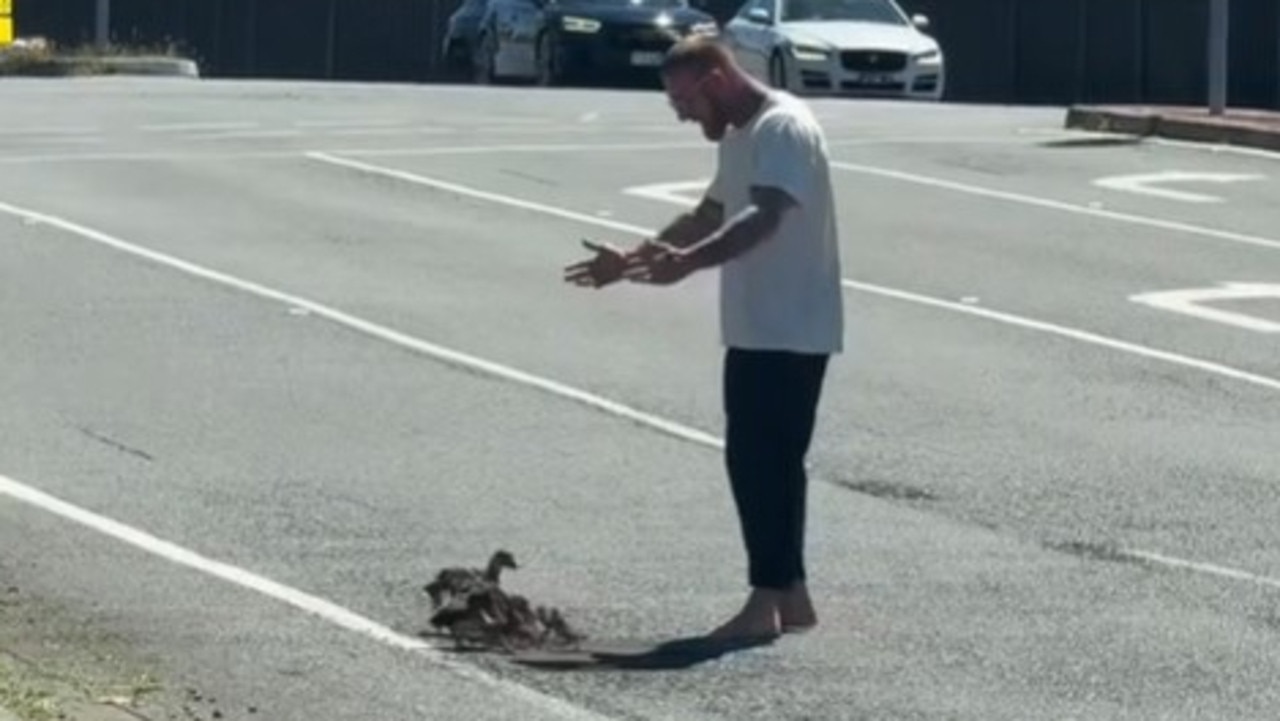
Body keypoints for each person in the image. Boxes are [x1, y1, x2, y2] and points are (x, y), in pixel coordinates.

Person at [562, 35, 843, 640]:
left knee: (760, 462)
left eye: (684, 102)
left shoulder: (782, 128)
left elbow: (764, 216)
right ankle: (791, 595)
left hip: (790, 327)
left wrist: (687, 263)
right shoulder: (743, 135)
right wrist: (633, 260)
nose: (684, 116)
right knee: (768, 461)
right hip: (763, 326)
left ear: (715, 80)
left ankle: (762, 605)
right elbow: (711, 213)